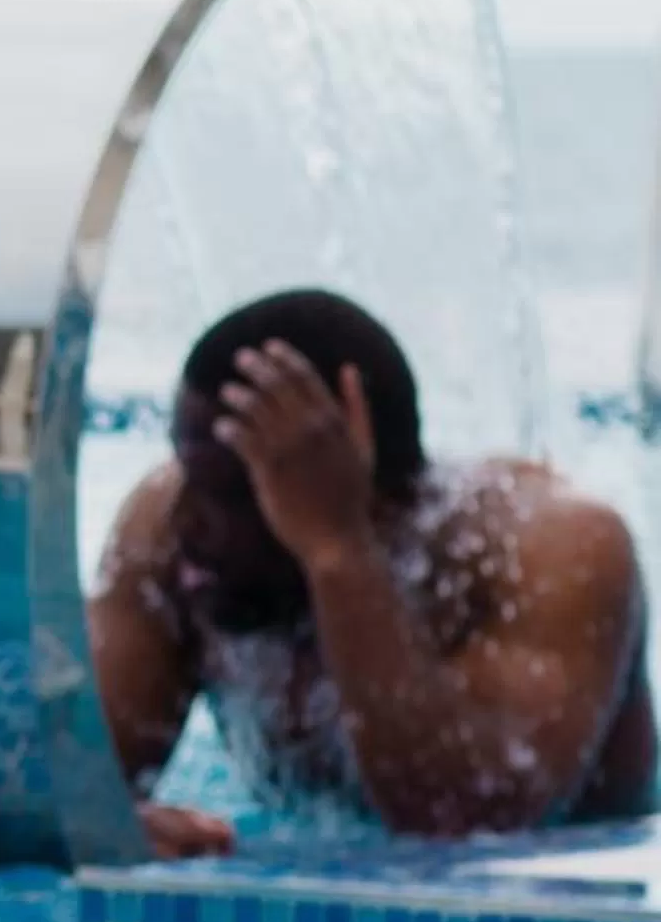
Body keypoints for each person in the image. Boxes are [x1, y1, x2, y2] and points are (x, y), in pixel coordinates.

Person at [91, 289, 653, 855]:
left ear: (376, 497)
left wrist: (339, 550)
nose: (187, 520)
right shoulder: (171, 534)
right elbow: (59, 779)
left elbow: (465, 825)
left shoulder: (555, 549)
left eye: (232, 493)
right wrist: (113, 825)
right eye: (189, 473)